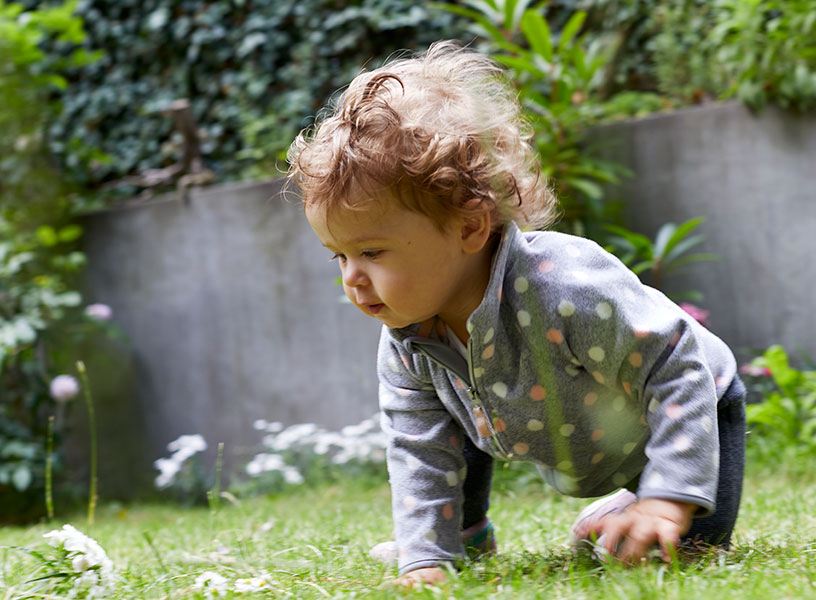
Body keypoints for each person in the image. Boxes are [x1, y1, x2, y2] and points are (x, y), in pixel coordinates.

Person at [285, 41, 746, 587]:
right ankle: (462, 536)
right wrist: (425, 558)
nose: (352, 279)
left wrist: (667, 500)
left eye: (371, 252)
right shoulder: (410, 338)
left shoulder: (565, 287)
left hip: (693, 406)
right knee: (448, 410)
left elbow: (675, 364)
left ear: (469, 227)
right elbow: (419, 446)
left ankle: (644, 500)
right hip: (569, 433)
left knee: (678, 550)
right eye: (339, 256)